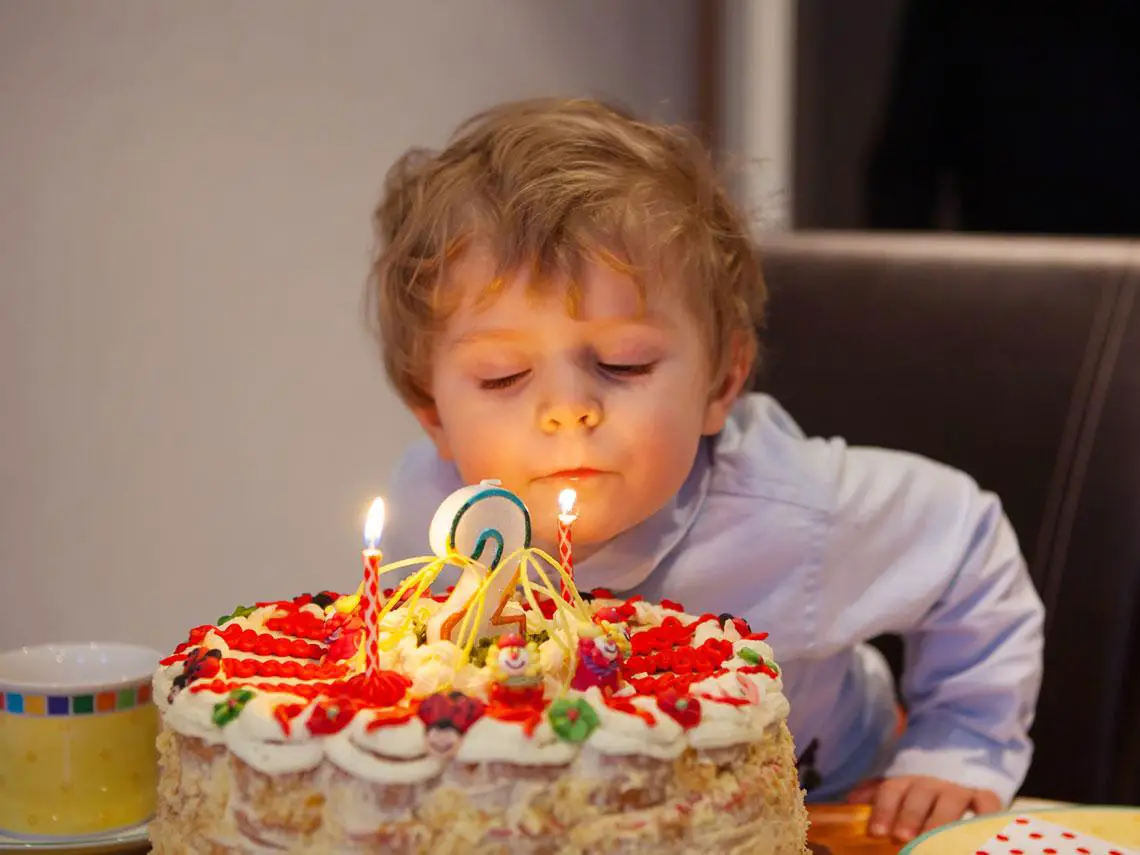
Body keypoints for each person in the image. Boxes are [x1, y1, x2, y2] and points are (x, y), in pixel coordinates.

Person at [366, 97, 1044, 843]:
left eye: (623, 362)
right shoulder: (427, 520)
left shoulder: (792, 509)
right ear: (431, 410)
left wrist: (961, 744)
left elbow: (969, 545)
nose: (567, 410)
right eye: (501, 376)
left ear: (722, 383)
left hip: (825, 805)